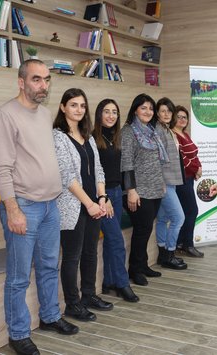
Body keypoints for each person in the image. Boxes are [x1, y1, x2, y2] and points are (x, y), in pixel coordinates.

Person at [0, 59, 78, 355]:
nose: (43, 86)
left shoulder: (44, 114)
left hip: (51, 205)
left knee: (49, 266)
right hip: (24, 206)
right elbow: (1, 169)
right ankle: (18, 334)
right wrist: (13, 210)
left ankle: (51, 316)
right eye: (37, 79)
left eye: (47, 80)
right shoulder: (5, 115)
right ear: (21, 82)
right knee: (18, 276)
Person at [53, 88, 114, 322]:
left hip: (93, 204)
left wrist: (102, 197)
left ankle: (89, 296)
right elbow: (67, 176)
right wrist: (89, 203)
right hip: (73, 206)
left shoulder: (88, 135)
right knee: (72, 257)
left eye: (82, 105)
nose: (79, 110)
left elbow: (98, 169)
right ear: (63, 107)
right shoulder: (57, 136)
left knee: (90, 253)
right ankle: (73, 304)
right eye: (73, 105)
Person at [92, 99, 139, 302]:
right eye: (106, 111)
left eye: (115, 112)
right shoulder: (93, 138)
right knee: (117, 241)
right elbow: (93, 171)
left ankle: (109, 282)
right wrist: (104, 197)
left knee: (113, 240)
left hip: (117, 191)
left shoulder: (118, 137)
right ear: (99, 114)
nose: (111, 116)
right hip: (102, 195)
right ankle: (122, 283)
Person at [121, 93, 166, 286]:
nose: (148, 111)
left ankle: (143, 264)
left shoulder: (151, 131)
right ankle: (135, 270)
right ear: (135, 110)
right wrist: (131, 190)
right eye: (143, 108)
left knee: (147, 229)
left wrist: (161, 182)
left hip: (155, 188)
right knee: (142, 229)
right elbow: (126, 162)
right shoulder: (129, 132)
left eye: (150, 108)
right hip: (139, 191)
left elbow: (156, 161)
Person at [154, 97, 187, 270]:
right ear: (157, 113)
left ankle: (162, 254)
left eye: (169, 111)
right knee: (178, 218)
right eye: (162, 111)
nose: (166, 114)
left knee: (163, 218)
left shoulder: (168, 130)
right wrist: (161, 183)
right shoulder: (158, 131)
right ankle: (169, 253)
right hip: (164, 183)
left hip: (171, 181)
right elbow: (156, 159)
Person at [172, 105, 205, 257]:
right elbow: (182, 159)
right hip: (182, 179)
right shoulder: (174, 135)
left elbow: (193, 154)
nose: (182, 120)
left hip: (190, 177)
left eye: (185, 117)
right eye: (179, 117)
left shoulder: (184, 134)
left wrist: (199, 168)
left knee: (187, 212)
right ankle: (188, 245)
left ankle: (180, 242)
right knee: (192, 211)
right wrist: (195, 169)